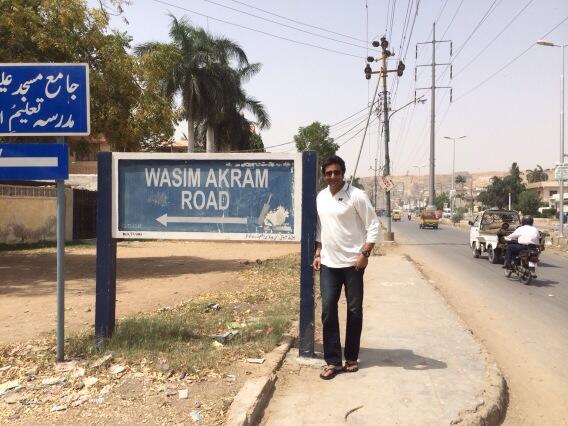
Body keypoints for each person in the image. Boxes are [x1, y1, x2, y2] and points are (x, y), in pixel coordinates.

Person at [312, 155, 379, 380]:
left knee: (354, 310)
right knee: (328, 310)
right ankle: (332, 361)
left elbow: (373, 225)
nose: (333, 176)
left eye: (336, 172)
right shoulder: (320, 197)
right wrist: (318, 252)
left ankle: (351, 357)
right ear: (324, 175)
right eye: (329, 173)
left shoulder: (356, 195)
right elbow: (320, 228)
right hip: (329, 263)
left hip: (353, 263)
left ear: (343, 173)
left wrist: (365, 253)